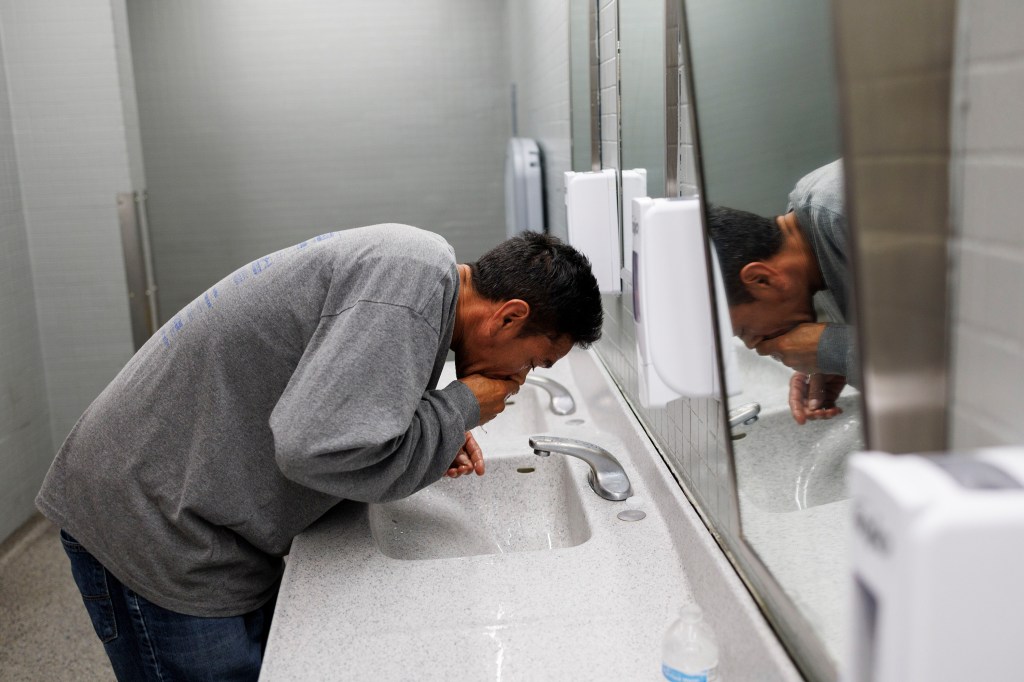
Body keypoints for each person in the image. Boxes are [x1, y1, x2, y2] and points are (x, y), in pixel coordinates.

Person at [36, 223, 603, 681]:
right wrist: (456, 409)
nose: (521, 379)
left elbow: (344, 411)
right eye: (533, 361)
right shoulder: (409, 284)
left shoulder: (418, 274)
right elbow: (316, 450)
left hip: (188, 505)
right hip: (153, 520)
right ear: (510, 316)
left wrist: (426, 433)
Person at [706, 159, 856, 425]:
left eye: (744, 332)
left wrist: (837, 350)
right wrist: (841, 364)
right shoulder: (807, 246)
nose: (756, 347)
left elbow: (951, 354)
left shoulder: (843, 213)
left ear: (762, 279)